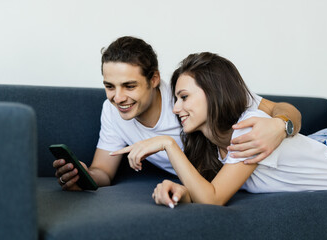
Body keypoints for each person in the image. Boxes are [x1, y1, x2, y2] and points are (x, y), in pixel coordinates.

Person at [111, 52, 327, 208]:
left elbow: (212, 199)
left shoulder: (247, 127)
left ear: (213, 93)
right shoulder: (207, 142)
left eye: (184, 97)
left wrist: (167, 143)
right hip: (322, 142)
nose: (176, 109)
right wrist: (179, 192)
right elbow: (208, 187)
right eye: (176, 99)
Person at [53, 37, 302, 191]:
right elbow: (103, 172)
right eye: (109, 87)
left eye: (129, 86)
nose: (118, 98)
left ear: (154, 79)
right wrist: (81, 176)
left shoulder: (189, 95)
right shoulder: (111, 111)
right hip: (210, 184)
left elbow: (283, 109)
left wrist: (281, 126)